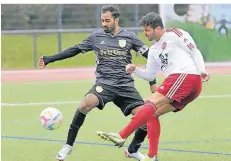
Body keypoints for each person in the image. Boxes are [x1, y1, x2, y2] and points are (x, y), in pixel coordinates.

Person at [38, 5, 157, 161]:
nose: (104, 24)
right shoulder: (95, 37)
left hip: (125, 85)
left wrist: (152, 82)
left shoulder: (129, 37)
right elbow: (74, 50)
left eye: (107, 20)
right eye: (102, 20)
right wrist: (49, 59)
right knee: (84, 105)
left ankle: (133, 150)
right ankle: (68, 146)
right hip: (104, 83)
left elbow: (151, 58)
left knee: (147, 118)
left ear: (116, 19)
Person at [97, 12, 210, 161]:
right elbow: (150, 75)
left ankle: (121, 135)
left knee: (148, 104)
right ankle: (152, 156)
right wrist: (135, 70)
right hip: (184, 84)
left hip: (186, 76)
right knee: (152, 113)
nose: (145, 33)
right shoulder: (154, 51)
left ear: (158, 28)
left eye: (147, 30)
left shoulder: (174, 34)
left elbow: (194, 52)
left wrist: (202, 70)